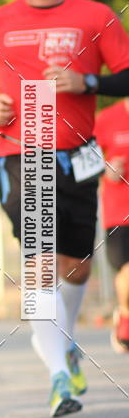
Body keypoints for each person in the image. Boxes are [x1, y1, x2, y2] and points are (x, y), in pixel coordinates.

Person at [0, 0, 129, 417]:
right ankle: (59, 377)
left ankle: (65, 344)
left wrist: (87, 83)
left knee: (75, 264)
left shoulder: (96, 16)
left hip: (80, 157)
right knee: (38, 262)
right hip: (22, 151)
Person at [94, 99, 129, 353]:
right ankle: (126, 315)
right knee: (126, 270)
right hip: (120, 213)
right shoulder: (107, 118)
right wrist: (105, 169)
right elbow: (83, 155)